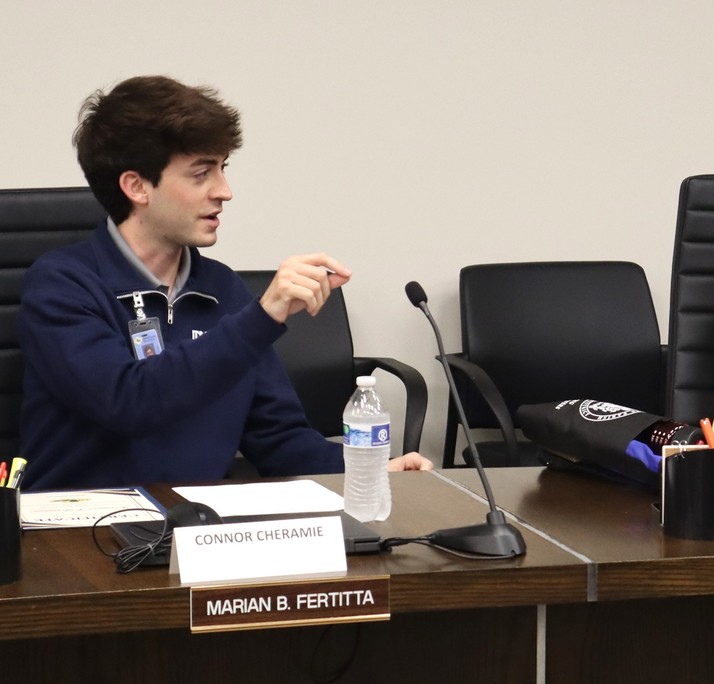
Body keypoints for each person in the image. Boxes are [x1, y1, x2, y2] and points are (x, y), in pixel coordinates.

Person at [17, 75, 432, 490]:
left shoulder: (223, 289)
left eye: (222, 169)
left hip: (195, 528)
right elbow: (128, 402)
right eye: (201, 174)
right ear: (137, 186)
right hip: (77, 531)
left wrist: (370, 468)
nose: (225, 191)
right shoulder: (60, 285)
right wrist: (261, 317)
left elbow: (278, 440)